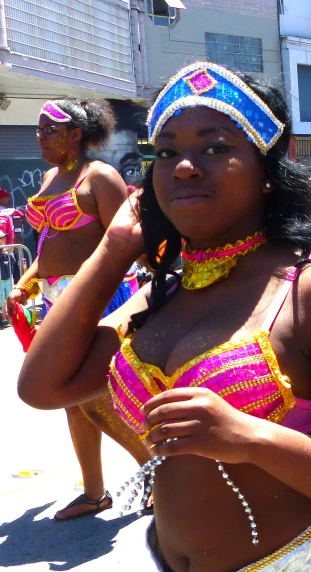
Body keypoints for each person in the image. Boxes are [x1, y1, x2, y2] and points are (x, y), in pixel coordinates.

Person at [17, 62, 311, 571]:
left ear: (267, 171)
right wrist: (113, 250)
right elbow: (43, 387)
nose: (183, 166)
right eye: (167, 152)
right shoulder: (162, 295)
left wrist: (249, 438)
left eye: (216, 147)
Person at [4, 99, 149, 521]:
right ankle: (95, 492)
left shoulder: (100, 177)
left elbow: (128, 243)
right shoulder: (51, 176)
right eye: (38, 129)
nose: (41, 136)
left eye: (50, 129)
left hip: (98, 300)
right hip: (55, 299)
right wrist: (27, 280)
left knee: (92, 398)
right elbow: (49, 245)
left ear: (76, 135)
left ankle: (159, 472)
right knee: (71, 399)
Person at [0, 230, 14, 328]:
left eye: (4, 237)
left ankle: (11, 318)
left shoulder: (7, 250)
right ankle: (3, 318)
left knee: (9, 298)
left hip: (8, 278)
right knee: (1, 301)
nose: (4, 239)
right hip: (0, 280)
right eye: (2, 238)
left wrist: (9, 254)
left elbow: (13, 262)